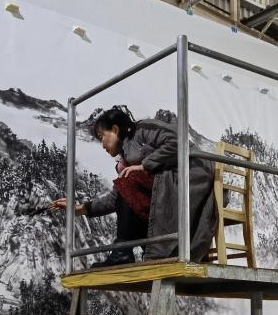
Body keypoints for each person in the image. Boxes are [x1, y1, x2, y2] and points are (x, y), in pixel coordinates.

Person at [51, 105, 217, 268]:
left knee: (128, 180)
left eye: (102, 137)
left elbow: (177, 141)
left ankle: (122, 252)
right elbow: (117, 197)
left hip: (189, 181)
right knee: (126, 189)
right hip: (168, 193)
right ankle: (125, 252)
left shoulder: (143, 129)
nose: (102, 145)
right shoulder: (126, 162)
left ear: (115, 129)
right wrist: (79, 208)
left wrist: (145, 165)